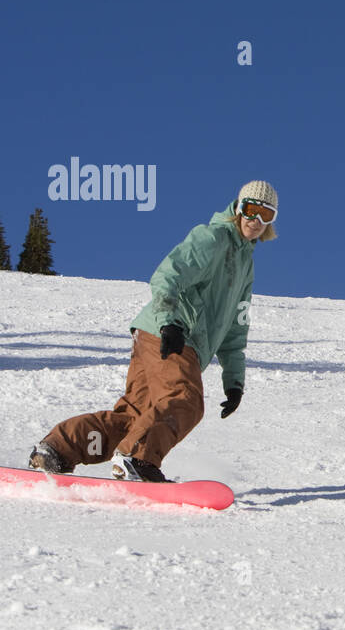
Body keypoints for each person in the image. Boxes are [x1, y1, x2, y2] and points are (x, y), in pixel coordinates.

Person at [27, 180, 278, 481]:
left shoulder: (245, 266)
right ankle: (136, 458)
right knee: (185, 399)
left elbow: (236, 329)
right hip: (171, 333)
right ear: (237, 209)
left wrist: (234, 382)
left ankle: (58, 449)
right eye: (251, 210)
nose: (256, 221)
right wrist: (169, 321)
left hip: (156, 335)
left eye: (266, 215)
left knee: (133, 417)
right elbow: (167, 275)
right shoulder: (212, 238)